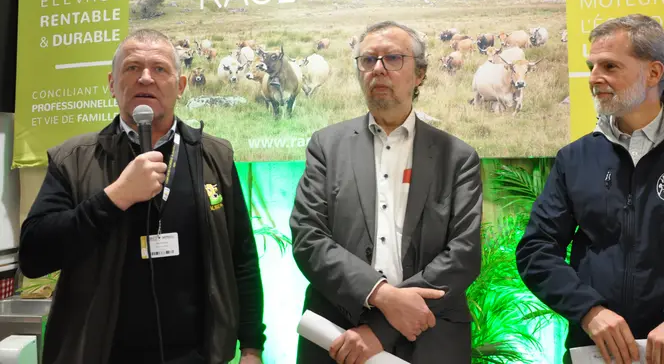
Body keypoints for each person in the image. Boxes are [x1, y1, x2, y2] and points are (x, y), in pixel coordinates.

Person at [19, 29, 266, 364]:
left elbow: (242, 259)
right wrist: (114, 198)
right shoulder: (74, 159)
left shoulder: (215, 156)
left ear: (180, 87)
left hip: (196, 356)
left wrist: (252, 348)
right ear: (111, 83)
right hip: (103, 355)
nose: (145, 78)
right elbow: (34, 256)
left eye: (160, 69)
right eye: (132, 68)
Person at [515, 14, 664, 364]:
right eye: (591, 66)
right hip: (593, 353)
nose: (593, 78)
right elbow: (536, 249)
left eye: (609, 66)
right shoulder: (575, 158)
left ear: (653, 73)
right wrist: (589, 311)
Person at [290, 21, 483, 364]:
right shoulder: (326, 146)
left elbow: (463, 255)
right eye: (368, 60)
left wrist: (381, 329)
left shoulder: (458, 157)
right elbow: (309, 238)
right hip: (337, 334)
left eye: (393, 58)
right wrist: (378, 294)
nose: (378, 69)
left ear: (419, 74)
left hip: (429, 334)